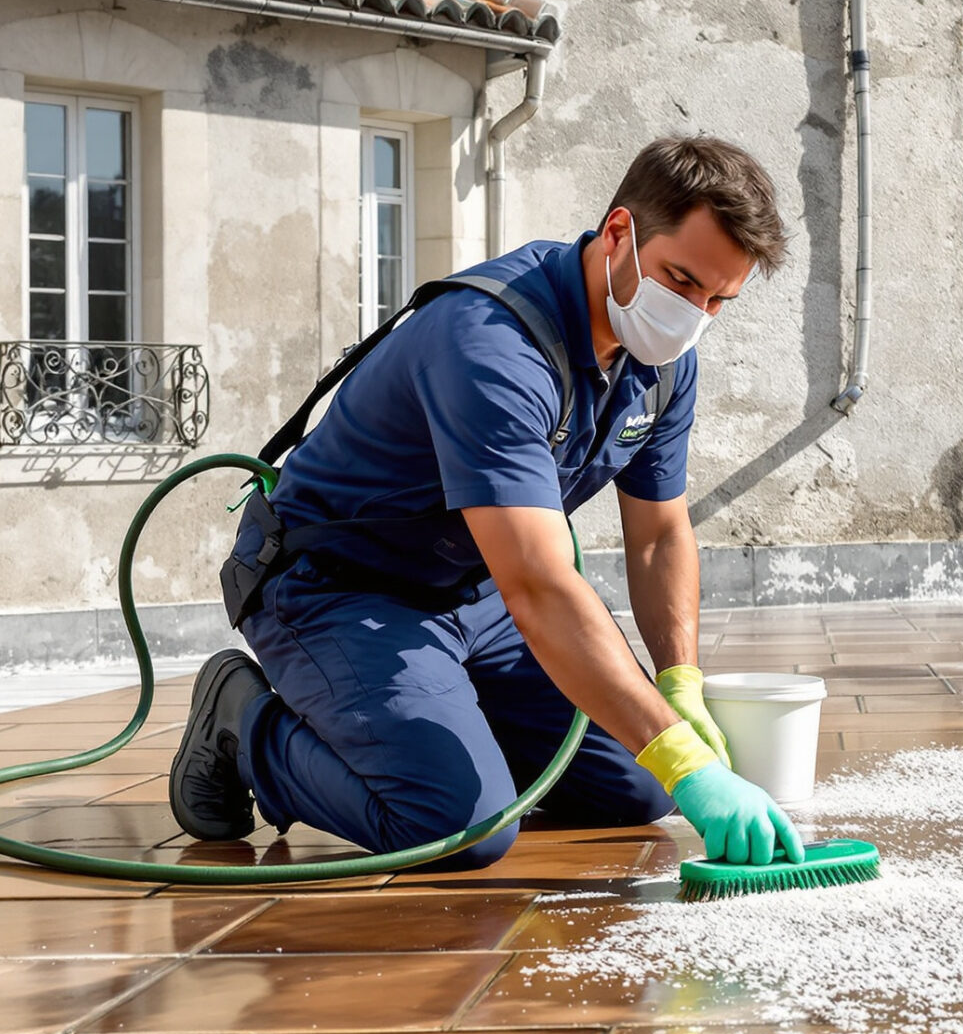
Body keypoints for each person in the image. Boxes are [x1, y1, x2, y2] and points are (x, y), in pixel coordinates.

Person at [166, 136, 804, 871]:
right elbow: (537, 582)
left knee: (637, 785)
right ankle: (242, 722)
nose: (693, 316)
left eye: (719, 300)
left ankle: (440, 730)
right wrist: (689, 762)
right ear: (620, 233)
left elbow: (659, 534)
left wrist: (679, 686)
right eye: (683, 280)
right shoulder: (494, 345)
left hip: (475, 593)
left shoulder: (660, 367)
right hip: (336, 587)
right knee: (458, 826)